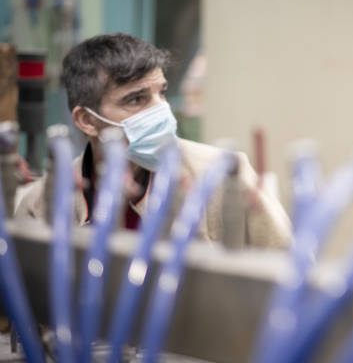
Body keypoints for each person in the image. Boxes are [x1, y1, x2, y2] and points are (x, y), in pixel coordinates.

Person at [15, 33, 292, 249]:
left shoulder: (222, 175)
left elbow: (288, 272)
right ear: (87, 121)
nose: (161, 110)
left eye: (162, 93)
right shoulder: (42, 203)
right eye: (136, 99)